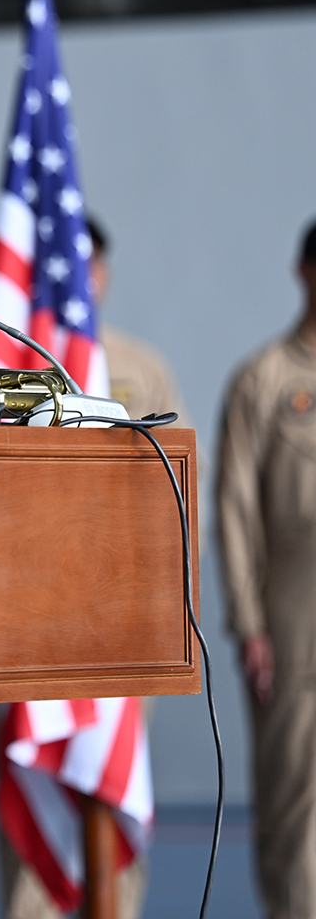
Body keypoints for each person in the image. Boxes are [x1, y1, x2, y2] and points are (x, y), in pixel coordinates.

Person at [0, 215, 186, 919]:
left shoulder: (142, 368)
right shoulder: (5, 369)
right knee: (38, 772)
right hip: (26, 620)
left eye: (86, 264)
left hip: (119, 615)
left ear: (100, 274)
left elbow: (177, 492)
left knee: (110, 776)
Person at [218, 218, 316, 919]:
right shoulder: (265, 379)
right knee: (296, 801)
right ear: (305, 272)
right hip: (295, 616)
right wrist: (250, 623)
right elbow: (234, 510)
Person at [88, 216, 186, 423]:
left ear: (107, 273)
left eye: (92, 260)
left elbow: (178, 440)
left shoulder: (140, 366)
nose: (83, 274)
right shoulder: (16, 357)